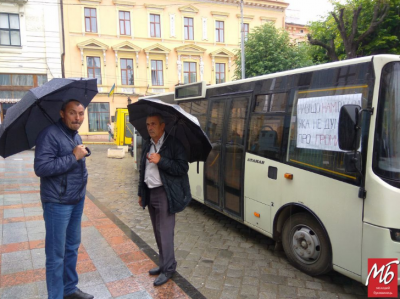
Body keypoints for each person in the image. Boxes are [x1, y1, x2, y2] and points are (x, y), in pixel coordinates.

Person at [34, 100, 94, 299]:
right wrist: (74, 157)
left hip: (76, 199)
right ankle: (56, 296)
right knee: (56, 254)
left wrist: (81, 152)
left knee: (71, 247)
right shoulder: (49, 134)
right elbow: (41, 168)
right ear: (62, 114)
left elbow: (72, 157)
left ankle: (69, 289)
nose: (78, 118)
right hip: (57, 203)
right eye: (72, 113)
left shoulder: (73, 134)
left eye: (81, 113)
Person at [138, 113, 192, 286]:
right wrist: (141, 192)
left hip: (165, 193)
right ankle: (163, 264)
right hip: (150, 191)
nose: (150, 127)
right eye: (148, 124)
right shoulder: (148, 144)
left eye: (153, 124)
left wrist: (162, 160)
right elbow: (142, 169)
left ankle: (169, 268)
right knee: (157, 232)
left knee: (165, 233)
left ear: (162, 126)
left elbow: (182, 168)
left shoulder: (174, 144)